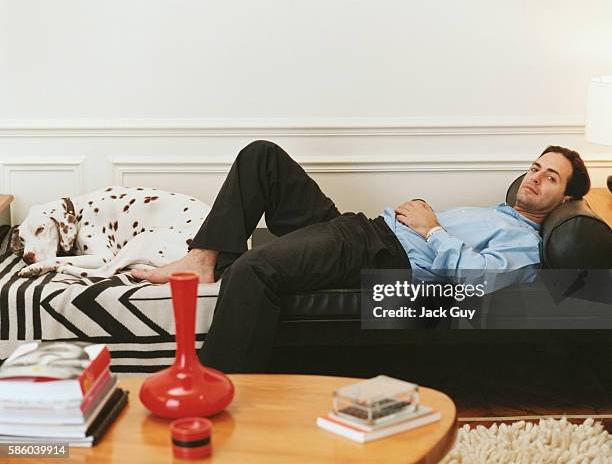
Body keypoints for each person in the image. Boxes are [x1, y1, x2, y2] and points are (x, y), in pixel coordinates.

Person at [131, 141, 590, 372]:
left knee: (256, 269)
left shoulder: (525, 244)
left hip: (378, 253)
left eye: (550, 177)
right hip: (361, 228)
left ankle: (218, 386)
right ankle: (205, 256)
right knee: (262, 157)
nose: (534, 178)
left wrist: (431, 227)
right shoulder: (497, 211)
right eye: (535, 167)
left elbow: (480, 281)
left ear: (566, 196)